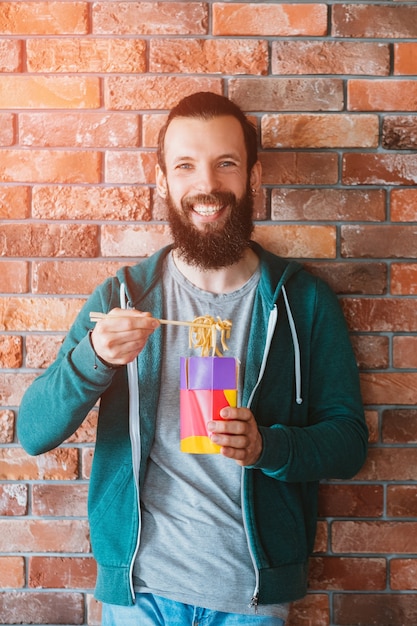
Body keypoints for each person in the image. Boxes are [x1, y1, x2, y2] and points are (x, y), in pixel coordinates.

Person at [18, 92, 368, 626]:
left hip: (248, 598)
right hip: (140, 593)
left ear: (253, 176)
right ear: (161, 180)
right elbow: (33, 432)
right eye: (185, 166)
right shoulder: (122, 298)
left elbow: (348, 443)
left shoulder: (302, 301)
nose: (207, 185)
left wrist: (267, 445)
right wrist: (94, 358)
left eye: (225, 163)